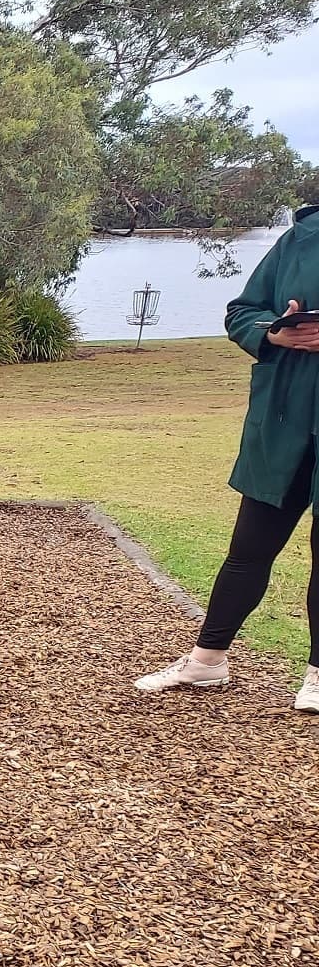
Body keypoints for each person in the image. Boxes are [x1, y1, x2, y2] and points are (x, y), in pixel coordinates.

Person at [137, 202, 319, 713]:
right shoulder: (301, 238)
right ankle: (207, 659)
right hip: (283, 424)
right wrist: (274, 332)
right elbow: (243, 311)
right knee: (249, 549)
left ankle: (317, 676)